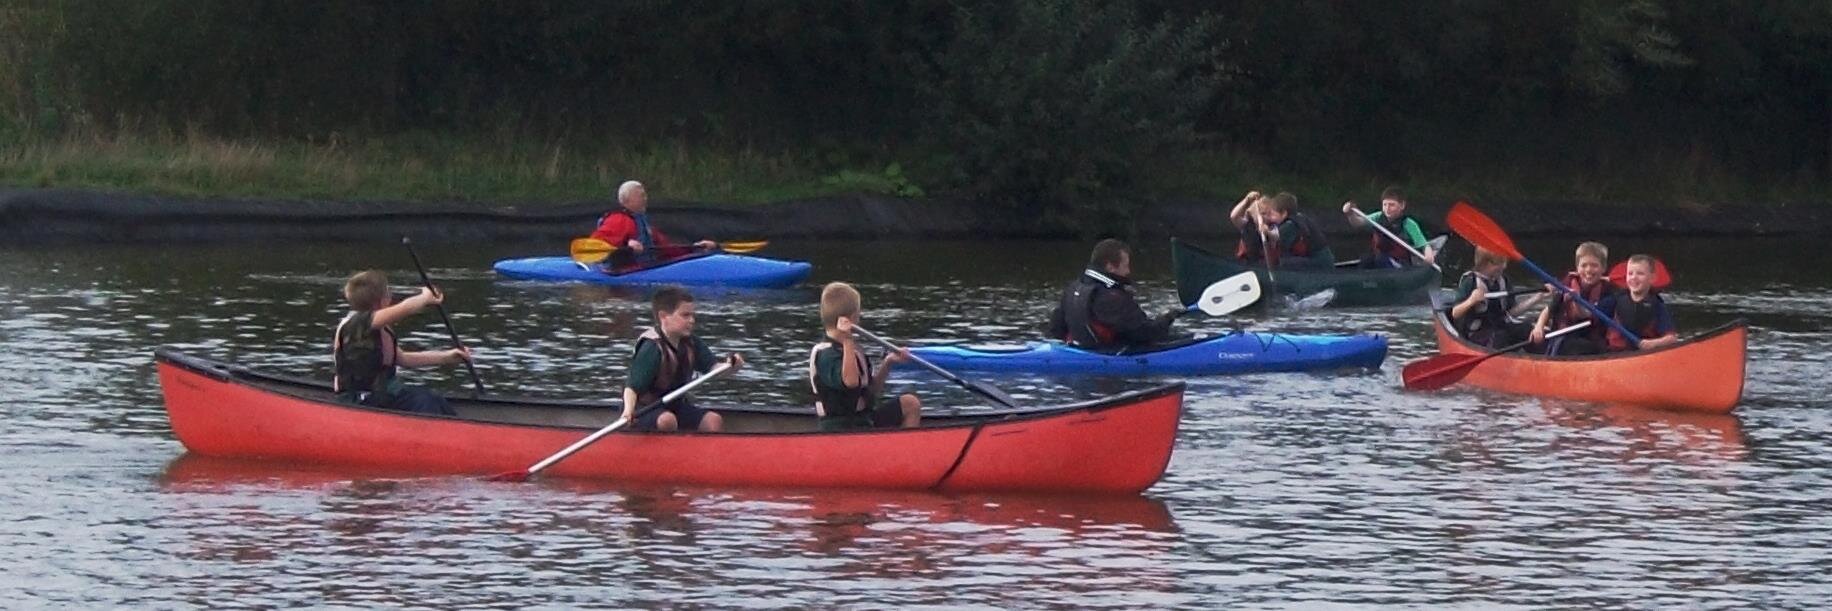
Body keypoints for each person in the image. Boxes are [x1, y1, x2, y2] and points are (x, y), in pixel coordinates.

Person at [332, 270, 473, 416]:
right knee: (425, 403)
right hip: (360, 400)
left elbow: (403, 359)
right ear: (382, 300)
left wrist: (447, 357)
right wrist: (425, 298)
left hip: (384, 395)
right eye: (388, 292)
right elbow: (405, 308)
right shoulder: (356, 324)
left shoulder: (380, 327)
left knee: (434, 399)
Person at [622, 286, 743, 432]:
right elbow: (632, 388)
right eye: (685, 315)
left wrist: (731, 366)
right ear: (663, 316)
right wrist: (628, 411)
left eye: (692, 315)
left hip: (675, 405)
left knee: (713, 420)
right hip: (644, 409)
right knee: (667, 420)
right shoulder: (652, 347)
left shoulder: (691, 343)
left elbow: (713, 369)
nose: (692, 320)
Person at [809, 282, 921, 432]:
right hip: (839, 428)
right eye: (858, 314)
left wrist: (888, 363)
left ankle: (907, 445)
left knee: (910, 404)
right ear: (853, 318)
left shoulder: (851, 350)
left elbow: (871, 390)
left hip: (863, 421)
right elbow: (851, 382)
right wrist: (847, 339)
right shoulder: (826, 355)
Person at [1046, 239, 1183, 351]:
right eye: (1125, 266)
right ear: (1110, 266)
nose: (1128, 271)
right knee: (1181, 338)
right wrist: (1167, 318)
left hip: (1082, 350)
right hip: (1111, 356)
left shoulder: (1073, 288)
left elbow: (1055, 330)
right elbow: (1145, 333)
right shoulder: (1109, 297)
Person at [589, 180, 717, 269]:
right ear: (627, 200)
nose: (645, 198)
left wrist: (695, 248)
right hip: (626, 276)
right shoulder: (618, 220)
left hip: (646, 268)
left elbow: (666, 248)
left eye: (645, 195)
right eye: (641, 196)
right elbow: (595, 243)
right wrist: (626, 244)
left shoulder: (642, 222)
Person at [1450, 248, 1551, 349]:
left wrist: (1538, 297)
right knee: (1500, 337)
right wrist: (1471, 300)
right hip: (1478, 333)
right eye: (1500, 263)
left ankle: (1544, 355)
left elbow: (1511, 313)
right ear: (1486, 264)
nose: (1504, 266)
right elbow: (1455, 313)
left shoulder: (1503, 281)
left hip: (1500, 327)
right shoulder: (1470, 281)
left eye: (1504, 262)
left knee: (1527, 329)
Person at [1530, 241, 1616, 355]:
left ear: (1603, 268)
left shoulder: (1608, 293)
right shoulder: (1567, 284)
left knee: (1579, 346)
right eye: (1584, 265)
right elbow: (1549, 310)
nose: (1588, 270)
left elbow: (1587, 315)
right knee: (1527, 333)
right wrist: (1539, 327)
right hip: (1561, 336)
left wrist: (1576, 301)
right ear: (1577, 267)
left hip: (1589, 341)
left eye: (1594, 265)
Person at [1229, 191, 1334, 269]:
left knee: (1285, 262)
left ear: (1283, 213)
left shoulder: (1283, 225)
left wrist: (1266, 231)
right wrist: (1247, 200)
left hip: (1317, 262)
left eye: (1268, 213)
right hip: (1249, 265)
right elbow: (1234, 217)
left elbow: (1276, 236)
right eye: (1262, 214)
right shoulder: (1248, 225)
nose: (1267, 217)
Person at [1341, 185, 1436, 268]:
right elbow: (1358, 223)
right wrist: (1350, 214)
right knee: (1366, 259)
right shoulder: (1378, 217)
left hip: (1400, 264)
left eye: (1392, 205)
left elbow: (1424, 244)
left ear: (1402, 205)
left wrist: (1429, 255)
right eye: (1385, 205)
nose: (1387, 209)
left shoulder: (1408, 224)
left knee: (1381, 259)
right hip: (1380, 259)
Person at [1603, 254, 1680, 351]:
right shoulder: (1615, 300)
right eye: (1630, 273)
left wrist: (1653, 343)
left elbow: (1672, 339)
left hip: (1644, 353)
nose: (1634, 277)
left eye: (1640, 274)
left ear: (1652, 278)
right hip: (1615, 353)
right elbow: (1590, 313)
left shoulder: (1657, 305)